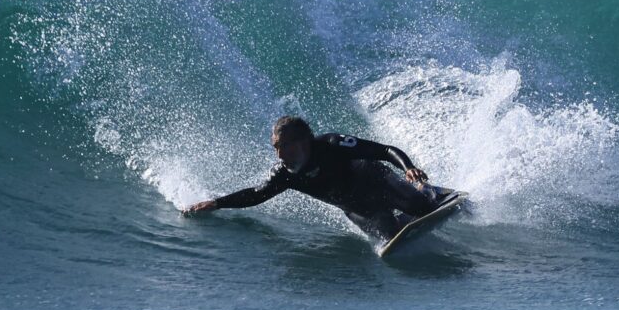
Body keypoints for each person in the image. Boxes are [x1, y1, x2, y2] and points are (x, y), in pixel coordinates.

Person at [182, 116, 459, 240]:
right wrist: (216, 203)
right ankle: (402, 219)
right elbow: (256, 194)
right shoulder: (286, 175)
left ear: (303, 141)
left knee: (424, 207)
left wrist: (408, 168)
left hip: (379, 183)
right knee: (390, 234)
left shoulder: (332, 144)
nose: (280, 156)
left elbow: (384, 150)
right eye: (275, 149)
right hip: (358, 208)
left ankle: (429, 192)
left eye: (284, 147)